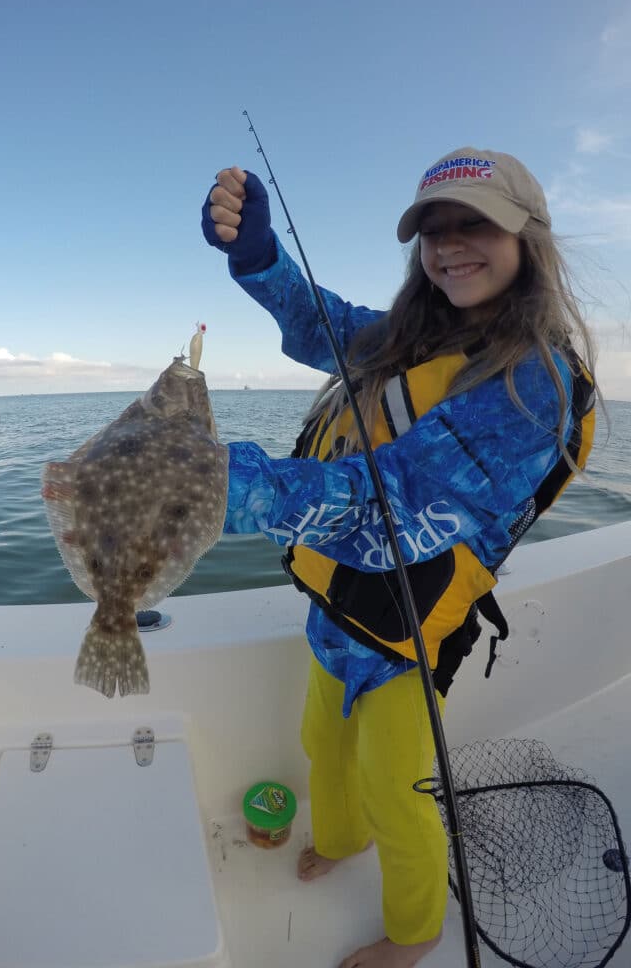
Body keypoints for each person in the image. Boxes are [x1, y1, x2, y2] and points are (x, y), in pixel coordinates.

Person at [201, 147, 597, 968]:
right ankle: (339, 841)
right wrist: (258, 258)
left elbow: (396, 512)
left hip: (411, 634)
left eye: (475, 224)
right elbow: (322, 325)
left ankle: (413, 934)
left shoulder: (536, 389)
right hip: (337, 608)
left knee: (397, 790)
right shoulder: (412, 338)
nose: (450, 245)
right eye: (433, 231)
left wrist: (203, 482)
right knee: (320, 739)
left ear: (529, 237)